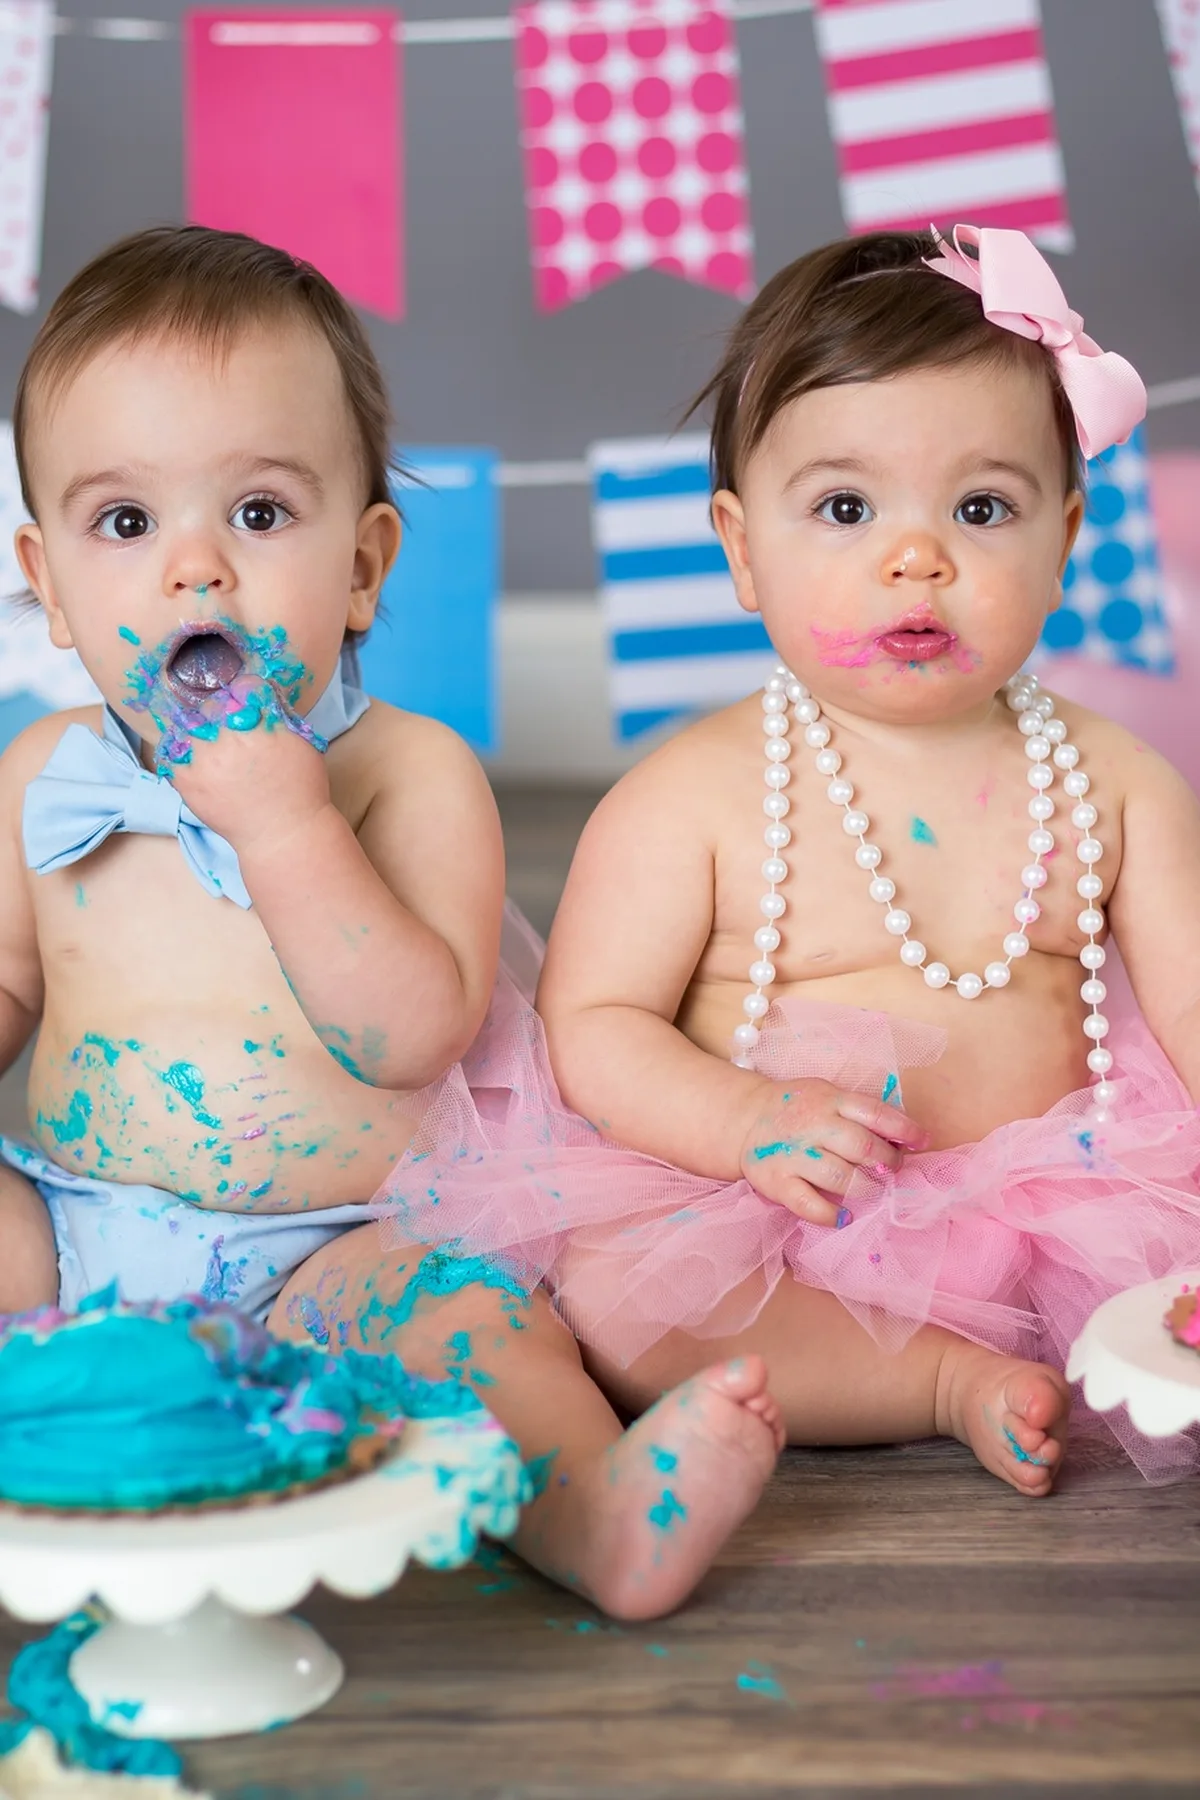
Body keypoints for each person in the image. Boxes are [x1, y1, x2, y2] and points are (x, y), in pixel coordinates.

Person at [0, 225, 785, 1622]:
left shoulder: (409, 773)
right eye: (126, 524)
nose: (197, 574)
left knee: (484, 1334)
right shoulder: (40, 777)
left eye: (257, 514)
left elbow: (414, 1034)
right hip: (66, 1231)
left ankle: (598, 1515)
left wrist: (289, 828)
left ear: (364, 566)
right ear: (47, 583)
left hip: (337, 1247)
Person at [377, 224, 1200, 1495]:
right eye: (845, 507)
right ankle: (941, 1378)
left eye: (982, 507)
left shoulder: (1121, 783)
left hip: (1070, 1197)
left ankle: (1053, 1346)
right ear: (742, 546)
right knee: (623, 1304)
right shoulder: (689, 795)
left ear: (1066, 539)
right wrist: (745, 1122)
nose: (915, 556)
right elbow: (594, 1026)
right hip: (784, 1210)